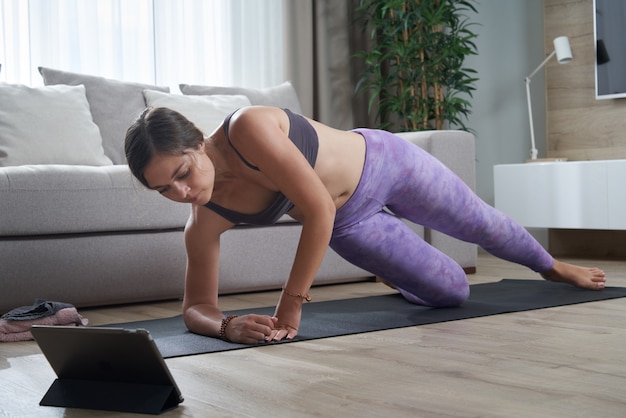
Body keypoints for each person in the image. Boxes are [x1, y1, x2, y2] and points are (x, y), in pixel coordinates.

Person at [124, 106, 607, 344]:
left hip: (385, 164)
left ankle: (551, 265)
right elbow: (196, 308)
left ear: (198, 144)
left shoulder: (247, 128)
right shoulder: (202, 222)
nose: (181, 193)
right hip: (351, 221)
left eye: (182, 173)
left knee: (482, 225)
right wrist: (227, 326)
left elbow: (316, 208)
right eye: (164, 189)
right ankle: (397, 270)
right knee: (452, 292)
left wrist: (289, 310)